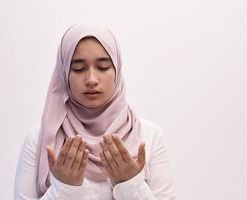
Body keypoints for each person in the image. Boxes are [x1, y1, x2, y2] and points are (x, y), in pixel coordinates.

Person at [14, 22, 176, 200]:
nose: (91, 79)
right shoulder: (41, 139)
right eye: (78, 68)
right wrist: (64, 189)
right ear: (64, 74)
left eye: (103, 67)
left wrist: (130, 186)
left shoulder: (149, 136)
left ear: (117, 70)